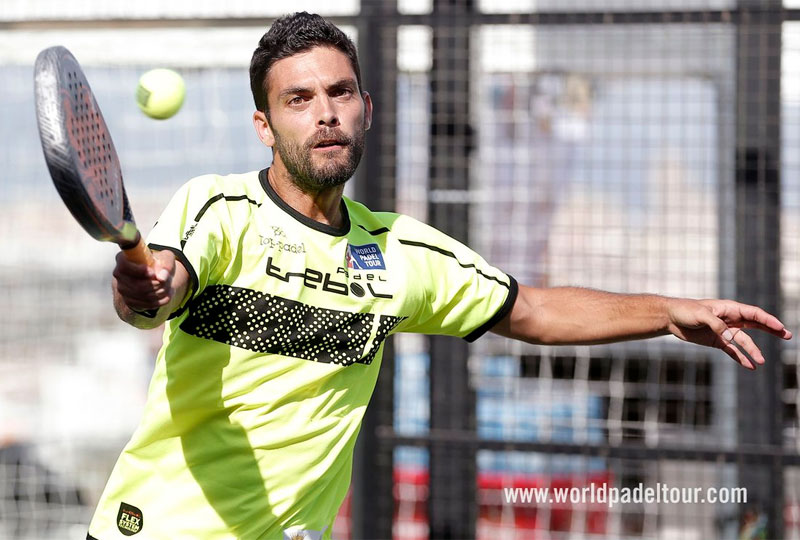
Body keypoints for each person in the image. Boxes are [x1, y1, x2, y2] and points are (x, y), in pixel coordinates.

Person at [87, 12, 792, 540]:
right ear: (265, 126)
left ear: (367, 108)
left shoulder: (401, 253)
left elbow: (532, 309)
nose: (325, 114)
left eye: (340, 93)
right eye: (298, 100)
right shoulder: (219, 207)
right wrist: (147, 290)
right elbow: (162, 285)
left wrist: (671, 312)